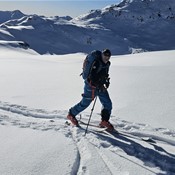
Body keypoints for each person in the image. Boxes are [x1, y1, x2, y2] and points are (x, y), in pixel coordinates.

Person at [67, 49, 113, 130]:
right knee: (85, 103)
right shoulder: (96, 63)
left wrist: (106, 81)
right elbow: (91, 76)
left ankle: (104, 121)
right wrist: (98, 82)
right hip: (90, 86)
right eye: (105, 56)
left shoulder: (107, 64)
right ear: (102, 55)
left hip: (100, 86)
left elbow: (104, 75)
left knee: (107, 103)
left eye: (108, 56)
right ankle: (71, 114)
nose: (106, 58)